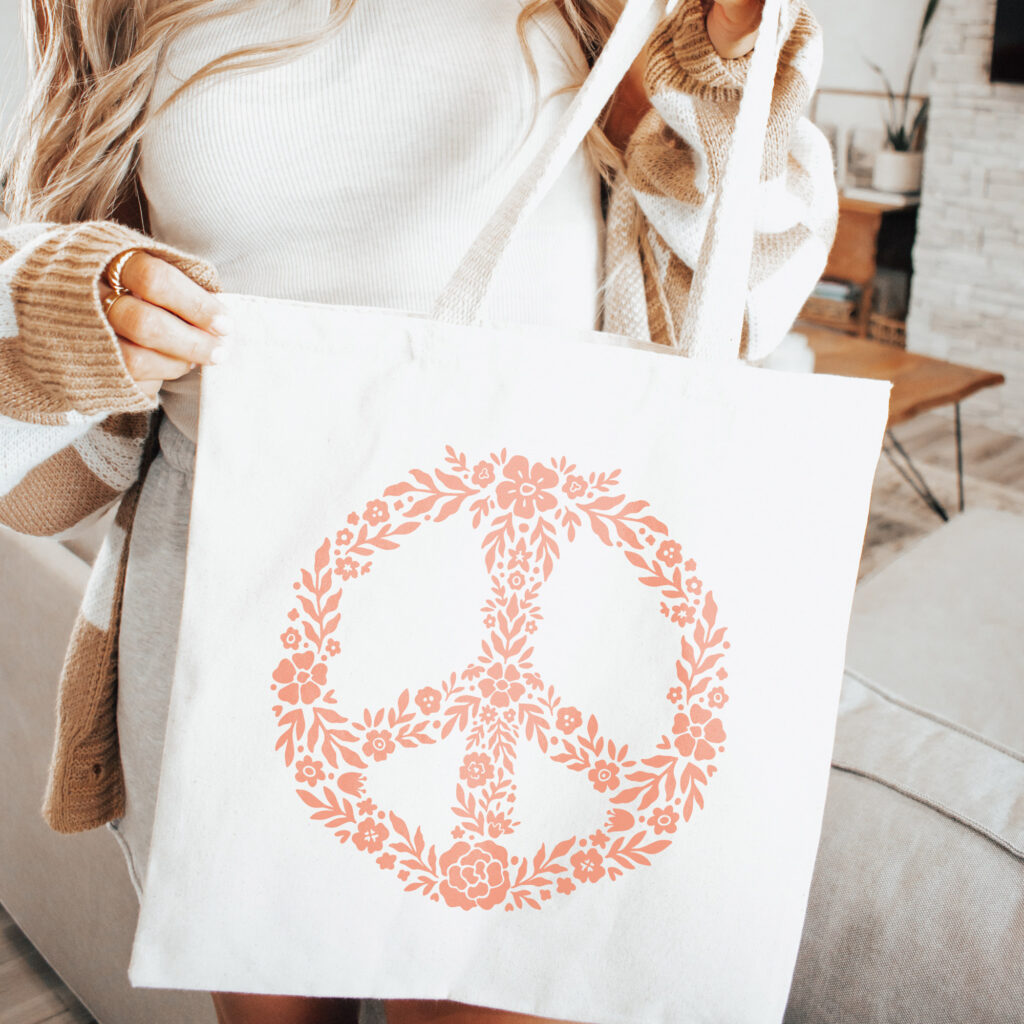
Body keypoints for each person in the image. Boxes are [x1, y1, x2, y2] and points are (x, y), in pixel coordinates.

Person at [0, 0, 836, 1020]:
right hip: (237, 622)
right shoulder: (113, 15)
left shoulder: (607, 13)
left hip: (538, 632)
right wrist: (65, 313)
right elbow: (51, 488)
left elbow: (747, 300)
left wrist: (728, 71)